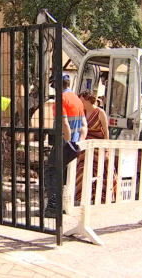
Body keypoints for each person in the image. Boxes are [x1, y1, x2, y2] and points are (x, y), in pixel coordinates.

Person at [39, 74, 88, 218]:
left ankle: (53, 207)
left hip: (63, 143)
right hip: (75, 144)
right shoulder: (77, 100)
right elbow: (84, 125)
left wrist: (66, 144)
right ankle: (66, 205)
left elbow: (65, 124)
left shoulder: (61, 100)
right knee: (67, 175)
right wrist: (77, 144)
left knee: (51, 172)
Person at [75, 90, 117, 204]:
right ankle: (83, 197)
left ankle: (103, 197)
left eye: (82, 100)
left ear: (88, 100)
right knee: (82, 169)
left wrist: (107, 148)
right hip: (86, 146)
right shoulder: (82, 112)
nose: (80, 102)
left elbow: (106, 131)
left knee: (102, 169)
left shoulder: (100, 112)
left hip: (98, 146)